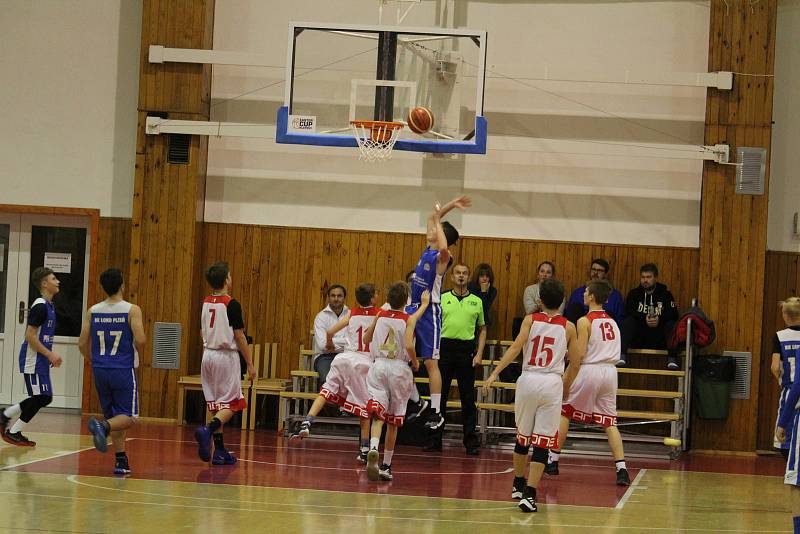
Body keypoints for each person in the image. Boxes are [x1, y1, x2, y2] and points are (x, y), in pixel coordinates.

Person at [484, 279, 581, 513]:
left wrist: (494, 373)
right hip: (551, 382)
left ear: (540, 300)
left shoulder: (530, 319)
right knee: (542, 442)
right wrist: (567, 385)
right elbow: (576, 362)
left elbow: (516, 348)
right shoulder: (569, 327)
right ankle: (529, 494)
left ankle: (517, 483)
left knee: (523, 436)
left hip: (528, 379)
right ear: (562, 302)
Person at [546, 279, 631, 487]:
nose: (583, 294)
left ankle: (553, 461)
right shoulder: (612, 321)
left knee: (565, 411)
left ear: (592, 296)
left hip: (590, 370)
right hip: (610, 373)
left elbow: (580, 354)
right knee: (610, 422)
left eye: (585, 292)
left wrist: (567, 367)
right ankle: (622, 469)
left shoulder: (584, 321)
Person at [290, 283, 380, 463]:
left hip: (344, 358)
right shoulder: (379, 315)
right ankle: (363, 449)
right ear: (373, 298)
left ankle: (308, 421)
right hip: (363, 362)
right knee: (364, 408)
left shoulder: (351, 313)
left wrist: (330, 342)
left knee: (326, 390)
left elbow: (329, 331)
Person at [407, 195, 471, 431]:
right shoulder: (427, 249)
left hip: (430, 312)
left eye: (438, 230)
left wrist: (441, 221)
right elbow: (432, 217)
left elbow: (444, 243)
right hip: (414, 308)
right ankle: (417, 402)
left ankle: (436, 412)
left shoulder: (443, 257)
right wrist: (451, 205)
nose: (432, 229)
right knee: (404, 357)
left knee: (431, 364)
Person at [79, 268, 146, 475]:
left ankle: (121, 461)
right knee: (129, 416)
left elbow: (82, 343)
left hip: (100, 369)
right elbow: (141, 339)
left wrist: (93, 359)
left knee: (115, 416)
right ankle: (102, 427)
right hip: (122, 368)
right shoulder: (131, 310)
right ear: (122, 285)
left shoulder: (93, 310)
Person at [363, 285, 430, 481]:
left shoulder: (380, 314)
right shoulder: (407, 318)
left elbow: (367, 338)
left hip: (379, 366)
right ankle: (386, 466)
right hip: (399, 368)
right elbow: (409, 344)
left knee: (378, 415)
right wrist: (416, 362)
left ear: (387, 298)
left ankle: (373, 447)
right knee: (394, 420)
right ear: (406, 301)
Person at [193, 261, 256, 465]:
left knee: (217, 404)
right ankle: (208, 430)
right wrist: (250, 363)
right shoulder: (232, 304)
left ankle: (219, 451)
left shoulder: (205, 301)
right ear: (227, 279)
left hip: (208, 354)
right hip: (225, 356)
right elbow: (239, 337)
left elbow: (202, 330)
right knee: (234, 402)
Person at [426, 263, 487, 455]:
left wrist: (479, 354)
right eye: (458, 273)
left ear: (469, 277)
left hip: (466, 350)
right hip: (444, 349)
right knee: (440, 397)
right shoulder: (442, 298)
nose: (461, 276)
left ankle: (470, 442)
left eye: (465, 273)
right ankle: (435, 440)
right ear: (452, 277)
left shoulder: (477, 301)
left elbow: (483, 328)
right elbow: (433, 326)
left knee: (468, 399)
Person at [0, 267, 62, 446]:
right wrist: (49, 354)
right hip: (32, 359)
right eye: (53, 278)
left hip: (40, 359)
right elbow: (30, 336)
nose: (58, 281)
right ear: (44, 283)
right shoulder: (40, 306)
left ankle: (5, 415)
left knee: (44, 397)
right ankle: (13, 430)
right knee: (41, 397)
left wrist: (48, 355)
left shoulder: (49, 305)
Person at [621, 263, 679, 369]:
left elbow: (674, 314)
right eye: (643, 277)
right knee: (628, 321)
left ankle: (672, 358)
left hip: (660, 337)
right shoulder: (634, 294)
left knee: (671, 324)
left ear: (655, 278)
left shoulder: (666, 294)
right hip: (639, 336)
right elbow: (628, 311)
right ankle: (622, 355)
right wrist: (644, 318)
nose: (645, 280)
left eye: (648, 277)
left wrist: (659, 319)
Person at [772, 297, 800, 460]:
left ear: (785, 316)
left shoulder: (780, 336)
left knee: (784, 440)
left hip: (790, 390)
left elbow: (775, 367)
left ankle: (793, 473)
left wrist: (780, 380)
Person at [564, 259, 624, 325]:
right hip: (580, 329)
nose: (595, 273)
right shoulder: (578, 293)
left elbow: (619, 319)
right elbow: (569, 316)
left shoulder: (615, 296)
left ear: (605, 274)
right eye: (593, 269)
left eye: (600, 271)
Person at [312, 285, 349, 386]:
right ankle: (326, 402)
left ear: (344, 298)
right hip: (325, 357)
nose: (336, 299)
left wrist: (331, 341)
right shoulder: (321, 317)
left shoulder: (351, 315)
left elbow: (352, 342)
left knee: (353, 380)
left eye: (339, 296)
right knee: (328, 380)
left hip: (346, 356)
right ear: (328, 297)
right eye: (333, 296)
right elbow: (322, 345)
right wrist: (344, 342)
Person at [468, 263, 497, 331]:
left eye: (487, 276)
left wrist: (483, 292)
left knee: (485, 319)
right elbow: (474, 307)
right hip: (470, 316)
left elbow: (484, 308)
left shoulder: (492, 290)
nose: (485, 278)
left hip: (483, 319)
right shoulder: (470, 287)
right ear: (477, 277)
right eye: (482, 276)